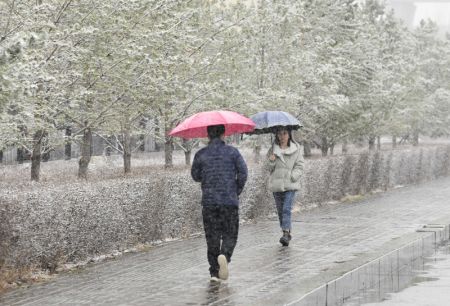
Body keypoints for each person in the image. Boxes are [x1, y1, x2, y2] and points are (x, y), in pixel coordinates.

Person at [191, 124, 248, 281]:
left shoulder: (201, 154)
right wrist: (236, 190)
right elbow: (243, 172)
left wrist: (208, 177)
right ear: (224, 134)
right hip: (229, 201)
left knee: (212, 237)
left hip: (209, 203)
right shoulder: (233, 153)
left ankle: (214, 272)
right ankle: (225, 255)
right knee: (230, 233)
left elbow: (195, 176)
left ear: (208, 135)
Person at [266, 127, 304, 246]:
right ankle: (285, 232)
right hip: (276, 185)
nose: (282, 136)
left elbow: (300, 165)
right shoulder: (272, 150)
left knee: (286, 209)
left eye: (284, 133)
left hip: (290, 184)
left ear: (289, 135)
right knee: (280, 210)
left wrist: (293, 176)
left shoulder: (296, 149)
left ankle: (286, 234)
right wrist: (271, 161)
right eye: (279, 134)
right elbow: (268, 168)